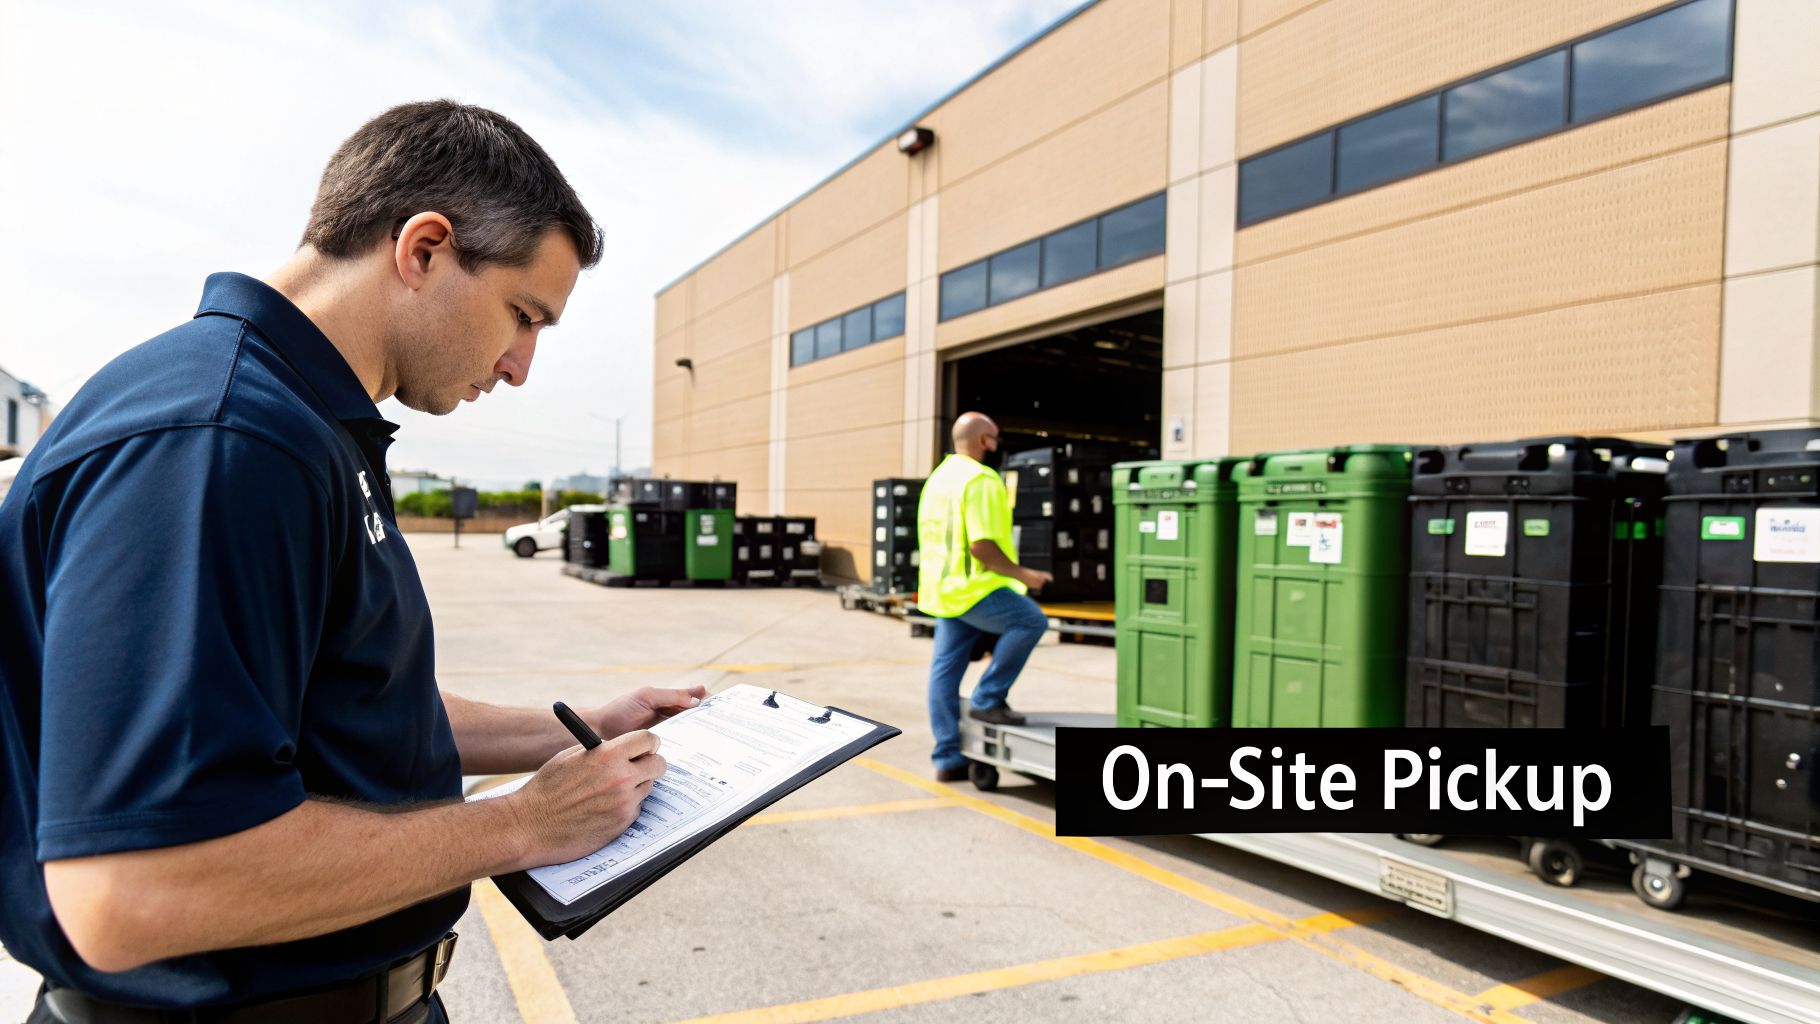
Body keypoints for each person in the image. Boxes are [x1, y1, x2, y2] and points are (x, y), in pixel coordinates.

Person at [0, 101, 702, 1023]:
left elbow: (333, 706)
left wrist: (571, 730)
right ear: (423, 250)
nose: (520, 365)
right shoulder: (225, 441)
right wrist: (525, 824)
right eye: (523, 315)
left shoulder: (303, 425)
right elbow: (135, 894)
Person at [915, 412, 1055, 783]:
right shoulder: (981, 479)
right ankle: (987, 700)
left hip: (942, 590)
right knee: (1030, 620)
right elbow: (982, 546)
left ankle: (947, 758)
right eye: (995, 438)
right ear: (983, 441)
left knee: (944, 671)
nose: (997, 445)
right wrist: (1026, 575)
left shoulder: (938, 479)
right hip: (975, 588)